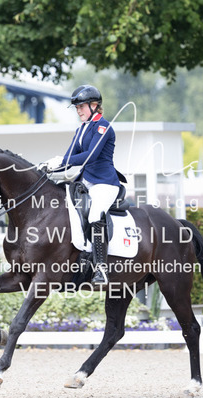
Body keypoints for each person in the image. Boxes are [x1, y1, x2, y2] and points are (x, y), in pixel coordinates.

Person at [44, 85, 120, 285]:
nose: (78, 111)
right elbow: (70, 157)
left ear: (94, 105)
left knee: (95, 215)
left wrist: (62, 160)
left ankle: (101, 268)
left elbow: (90, 156)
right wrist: (49, 167)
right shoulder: (80, 130)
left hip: (105, 183)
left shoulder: (103, 127)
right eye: (77, 108)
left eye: (81, 107)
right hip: (85, 182)